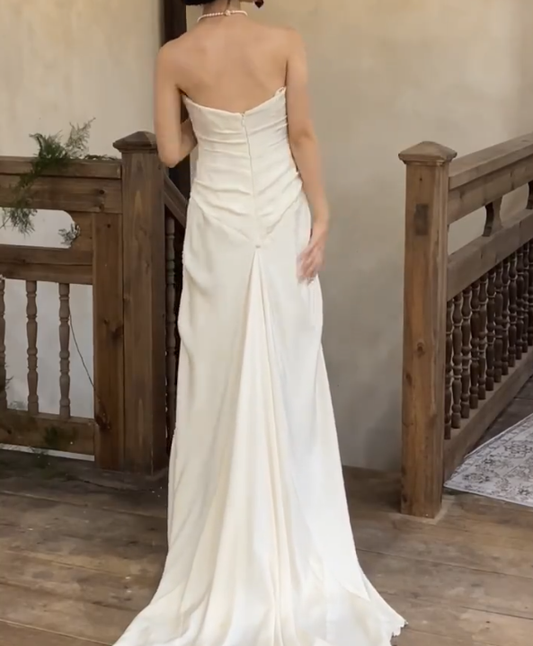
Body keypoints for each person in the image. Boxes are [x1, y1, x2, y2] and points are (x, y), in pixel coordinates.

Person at [114, 1, 406, 645]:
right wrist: (322, 213)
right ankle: (299, 541)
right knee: (289, 374)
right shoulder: (284, 40)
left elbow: (170, 150)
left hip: (217, 224)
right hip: (279, 220)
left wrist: (204, 121)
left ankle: (221, 552)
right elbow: (302, 136)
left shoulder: (174, 56)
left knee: (217, 379)